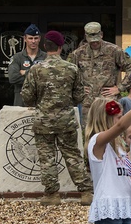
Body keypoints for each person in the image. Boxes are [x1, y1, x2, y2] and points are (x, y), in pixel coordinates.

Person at [21, 30, 95, 206]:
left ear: (45, 47)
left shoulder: (36, 69)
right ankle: (85, 192)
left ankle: (52, 194)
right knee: (72, 155)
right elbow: (79, 96)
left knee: (46, 158)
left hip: (43, 121)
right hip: (66, 120)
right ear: (61, 47)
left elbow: (27, 97)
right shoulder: (72, 68)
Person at [71, 21, 131, 113]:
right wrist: (79, 89)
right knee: (89, 127)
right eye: (91, 41)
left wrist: (120, 88)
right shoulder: (78, 53)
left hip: (108, 101)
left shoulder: (114, 51)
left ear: (101, 35)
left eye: (96, 40)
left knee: (110, 127)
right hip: (88, 104)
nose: (94, 43)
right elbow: (70, 74)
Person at [6, 24, 46, 107]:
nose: (33, 41)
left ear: (39, 39)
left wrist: (25, 72)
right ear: (25, 39)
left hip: (41, 100)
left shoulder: (46, 57)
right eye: (30, 38)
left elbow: (48, 78)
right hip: (21, 99)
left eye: (36, 38)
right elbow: (13, 78)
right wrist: (37, 76)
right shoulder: (17, 57)